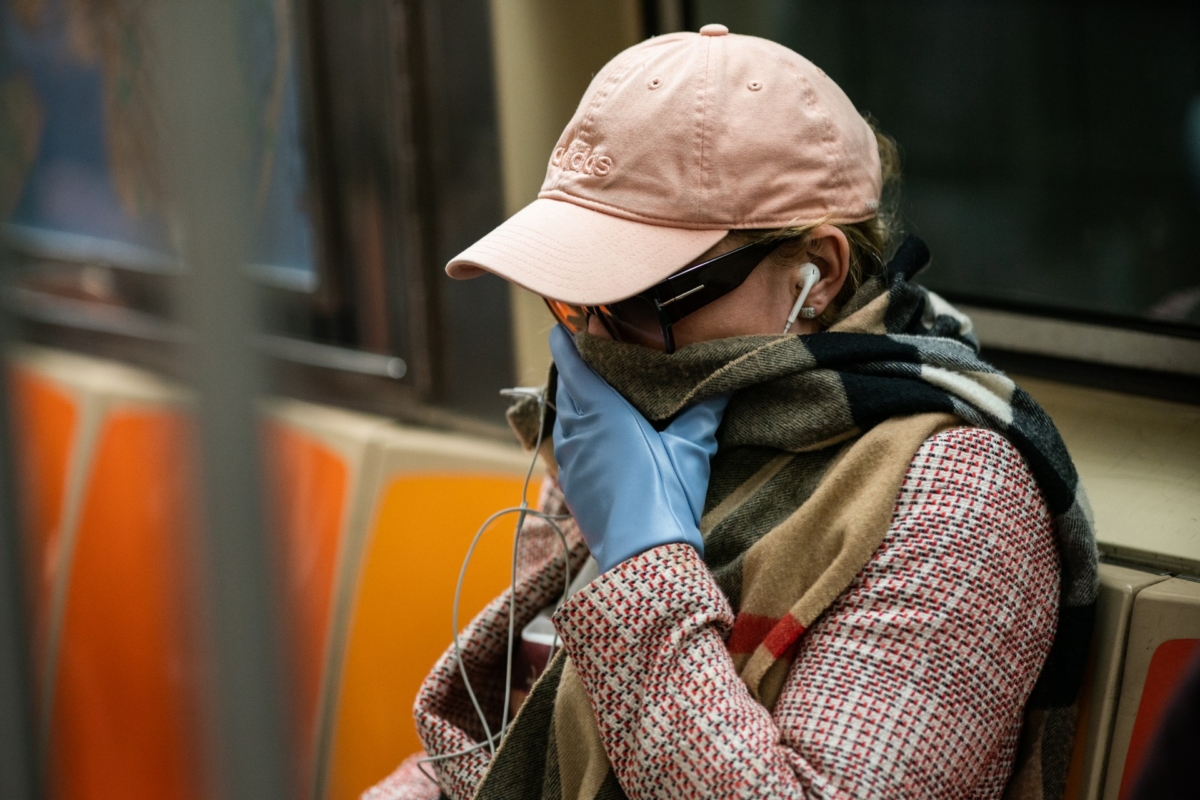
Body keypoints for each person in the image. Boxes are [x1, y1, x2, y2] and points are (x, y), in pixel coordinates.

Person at [366, 25, 1098, 800]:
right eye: (575, 292)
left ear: (815, 273)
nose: (594, 339)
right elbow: (502, 746)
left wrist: (643, 565)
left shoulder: (953, 495)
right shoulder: (629, 429)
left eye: (649, 296)